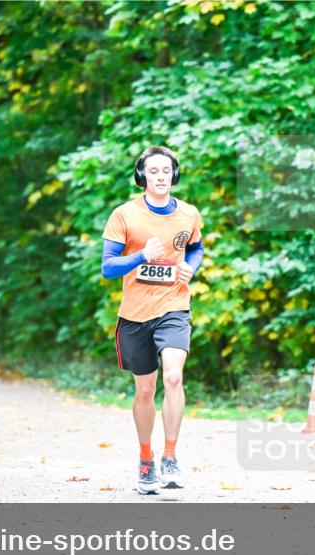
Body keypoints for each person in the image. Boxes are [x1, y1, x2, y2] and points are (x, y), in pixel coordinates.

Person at [101, 146, 205, 494]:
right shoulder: (124, 215)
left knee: (173, 377)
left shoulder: (189, 214)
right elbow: (108, 267)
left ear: (174, 175)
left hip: (174, 306)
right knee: (145, 390)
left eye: (166, 171)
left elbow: (196, 247)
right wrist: (142, 255)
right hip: (134, 315)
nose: (160, 177)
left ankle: (170, 457)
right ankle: (146, 460)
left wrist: (193, 266)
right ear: (142, 176)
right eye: (153, 171)